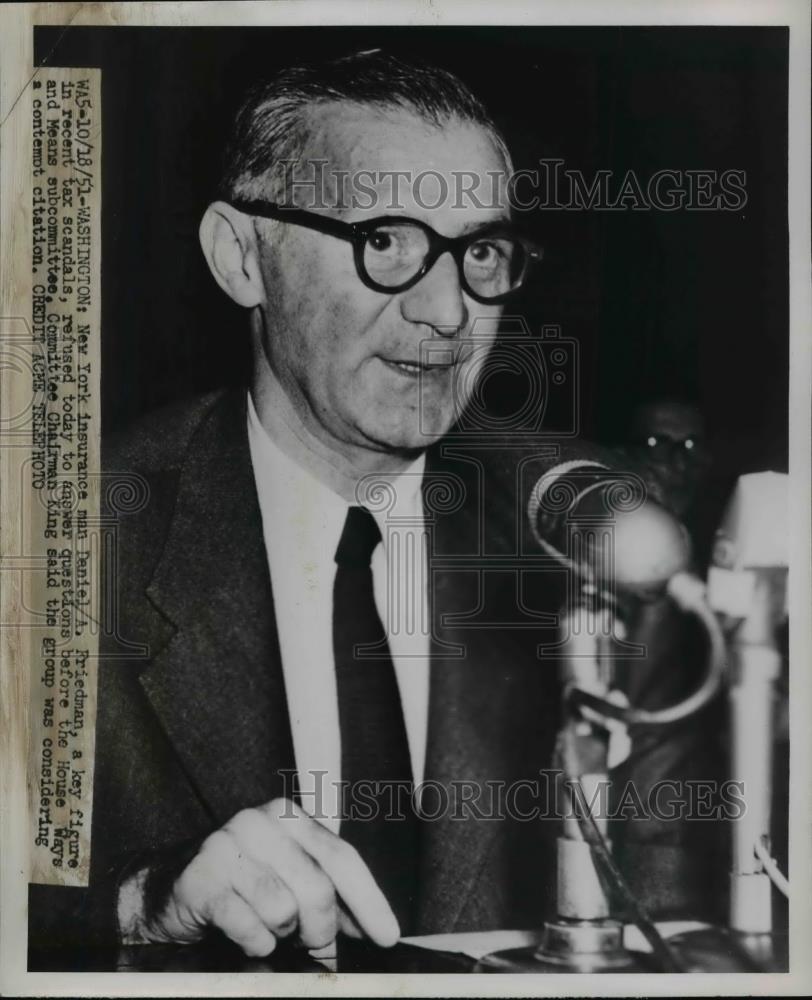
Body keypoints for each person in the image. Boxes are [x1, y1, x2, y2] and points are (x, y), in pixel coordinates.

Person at [28, 50, 721, 967]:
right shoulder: (60, 547)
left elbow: (676, 927)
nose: (447, 310)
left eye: (478, 252)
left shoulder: (596, 541)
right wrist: (139, 902)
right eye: (386, 242)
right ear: (242, 258)